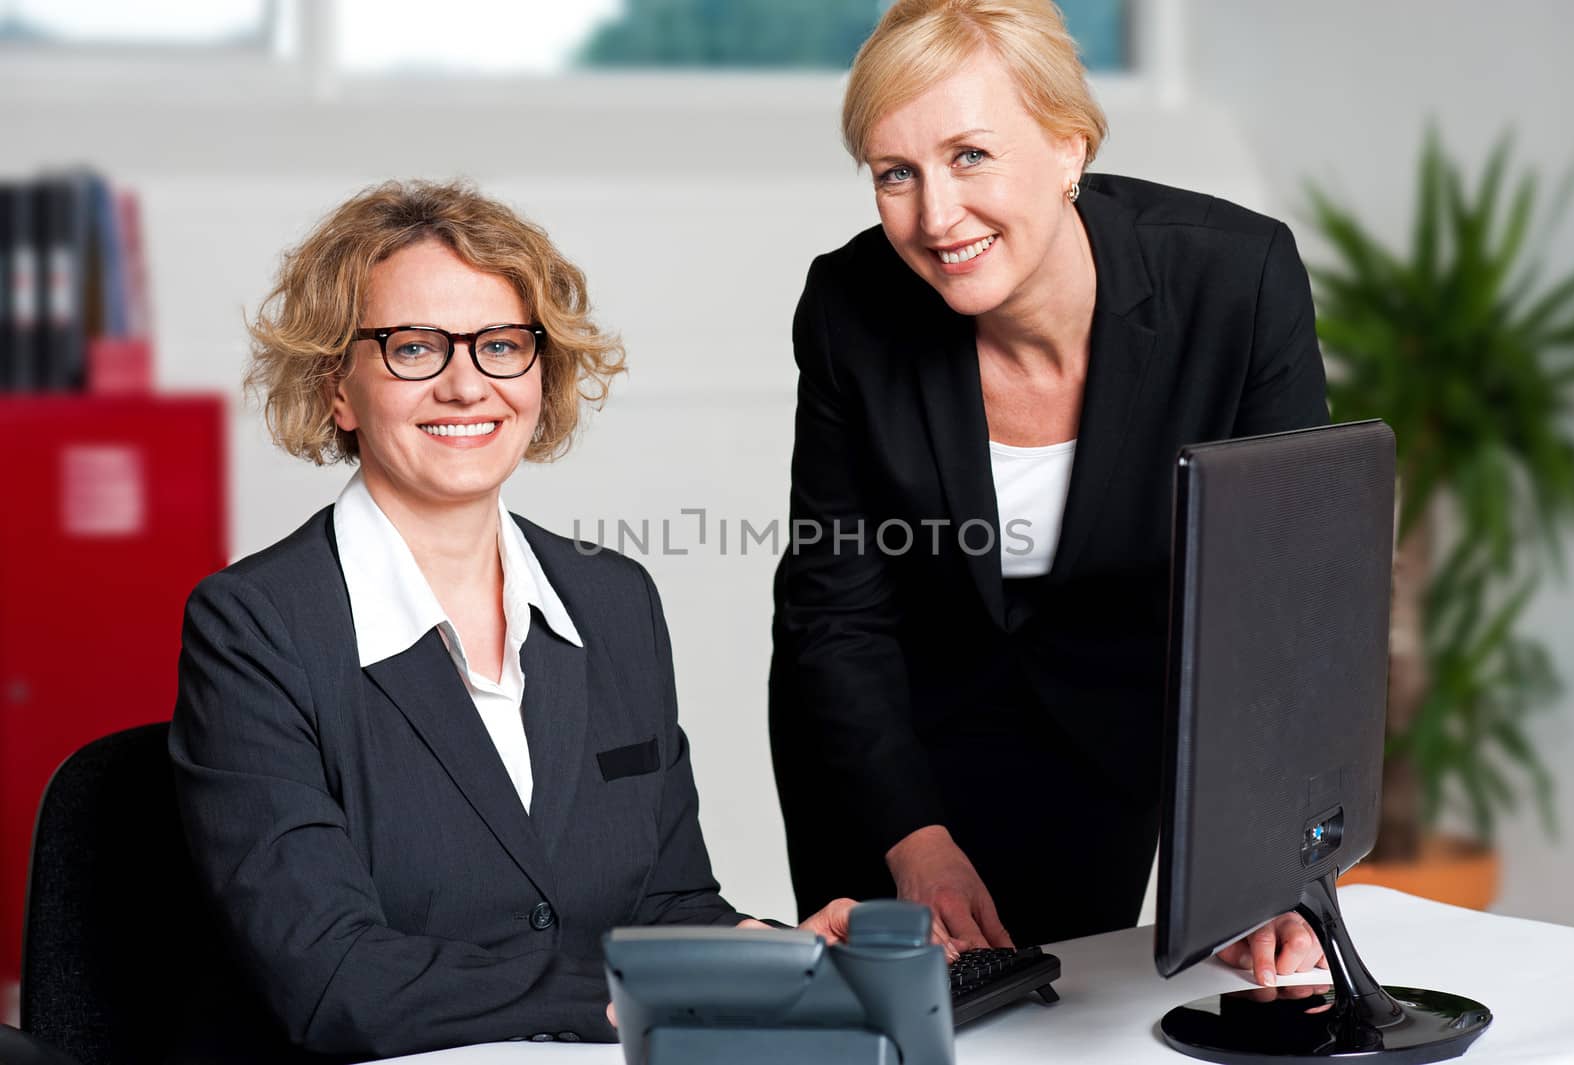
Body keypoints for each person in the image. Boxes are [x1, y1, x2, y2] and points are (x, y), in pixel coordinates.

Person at [171, 180, 852, 1060]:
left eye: (501, 345)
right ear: (337, 387)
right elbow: (335, 978)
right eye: (413, 347)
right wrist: (636, 988)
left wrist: (765, 948)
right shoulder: (256, 628)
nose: (466, 386)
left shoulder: (614, 600)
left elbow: (666, 903)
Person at [768, 0, 1329, 988]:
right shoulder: (850, 306)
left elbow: (1282, 605)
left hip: (1105, 728)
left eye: (970, 155)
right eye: (895, 174)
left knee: (1069, 1014)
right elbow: (835, 607)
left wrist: (1269, 865)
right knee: (904, 1018)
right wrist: (909, 834)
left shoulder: (1233, 282)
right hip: (884, 742)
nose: (935, 216)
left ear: (1068, 146)